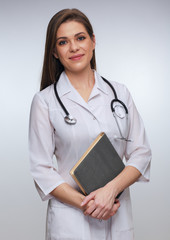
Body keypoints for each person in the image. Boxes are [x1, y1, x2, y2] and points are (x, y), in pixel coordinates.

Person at [29, 8, 151, 240]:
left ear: (93, 41)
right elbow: (41, 169)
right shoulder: (45, 101)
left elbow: (141, 153)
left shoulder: (120, 93)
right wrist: (89, 204)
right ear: (54, 52)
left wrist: (110, 191)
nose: (74, 47)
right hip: (71, 221)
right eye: (63, 42)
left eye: (80, 38)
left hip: (117, 212)